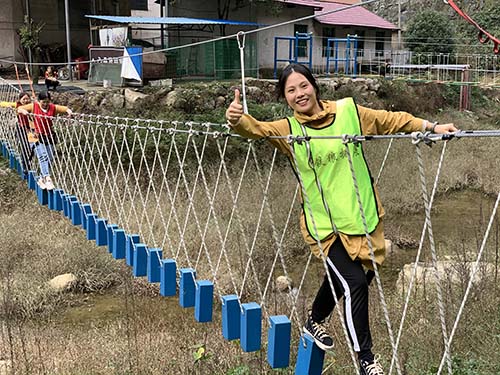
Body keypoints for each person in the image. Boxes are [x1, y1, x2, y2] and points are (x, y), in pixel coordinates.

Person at [225, 63, 458, 375]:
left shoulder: (350, 112)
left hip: (361, 217)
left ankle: (314, 319)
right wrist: (237, 120)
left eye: (303, 86)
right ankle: (366, 361)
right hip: (324, 226)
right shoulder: (289, 130)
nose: (299, 94)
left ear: (314, 86)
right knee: (354, 283)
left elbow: (391, 121)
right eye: (290, 90)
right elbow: (256, 129)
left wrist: (431, 126)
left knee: (350, 277)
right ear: (285, 97)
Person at [17, 91, 72, 190]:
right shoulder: (34, 106)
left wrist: (68, 111)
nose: (46, 104)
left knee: (50, 158)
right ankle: (47, 178)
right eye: (43, 102)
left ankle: (42, 178)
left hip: (48, 136)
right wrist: (24, 111)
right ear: (39, 101)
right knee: (43, 156)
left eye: (47, 102)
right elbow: (19, 108)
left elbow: (64, 109)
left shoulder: (52, 107)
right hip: (35, 136)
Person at [0, 92, 34, 177]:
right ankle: (25, 166)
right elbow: (2, 103)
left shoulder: (32, 106)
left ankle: (27, 163)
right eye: (24, 99)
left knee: (32, 148)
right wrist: (8, 106)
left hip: (31, 130)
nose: (26, 101)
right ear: (20, 99)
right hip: (21, 129)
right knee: (25, 147)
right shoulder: (17, 105)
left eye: (27, 99)